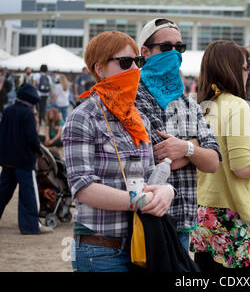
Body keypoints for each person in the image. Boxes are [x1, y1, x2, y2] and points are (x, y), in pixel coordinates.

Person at [61, 31, 175, 272]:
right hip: (100, 251)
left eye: (138, 61)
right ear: (100, 69)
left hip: (141, 245)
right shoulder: (82, 118)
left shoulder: (138, 118)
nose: (135, 68)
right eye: (125, 62)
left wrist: (167, 191)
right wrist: (140, 201)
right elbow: (82, 187)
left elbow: (153, 173)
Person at [136, 18, 221, 251]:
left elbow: (214, 161)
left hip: (183, 224)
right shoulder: (132, 97)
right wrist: (194, 150)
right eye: (166, 47)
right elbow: (147, 157)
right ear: (146, 52)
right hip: (141, 221)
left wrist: (186, 149)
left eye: (179, 47)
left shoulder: (188, 104)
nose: (174, 53)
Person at [190, 40, 250, 273]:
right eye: (246, 68)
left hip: (204, 209)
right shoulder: (237, 106)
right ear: (232, 69)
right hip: (231, 210)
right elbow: (241, 167)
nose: (247, 73)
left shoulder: (202, 105)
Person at [0, 83, 53, 234]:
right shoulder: (27, 114)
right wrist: (39, 147)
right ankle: (31, 226)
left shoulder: (8, 110)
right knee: (28, 193)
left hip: (7, 159)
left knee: (3, 191)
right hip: (23, 161)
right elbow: (31, 137)